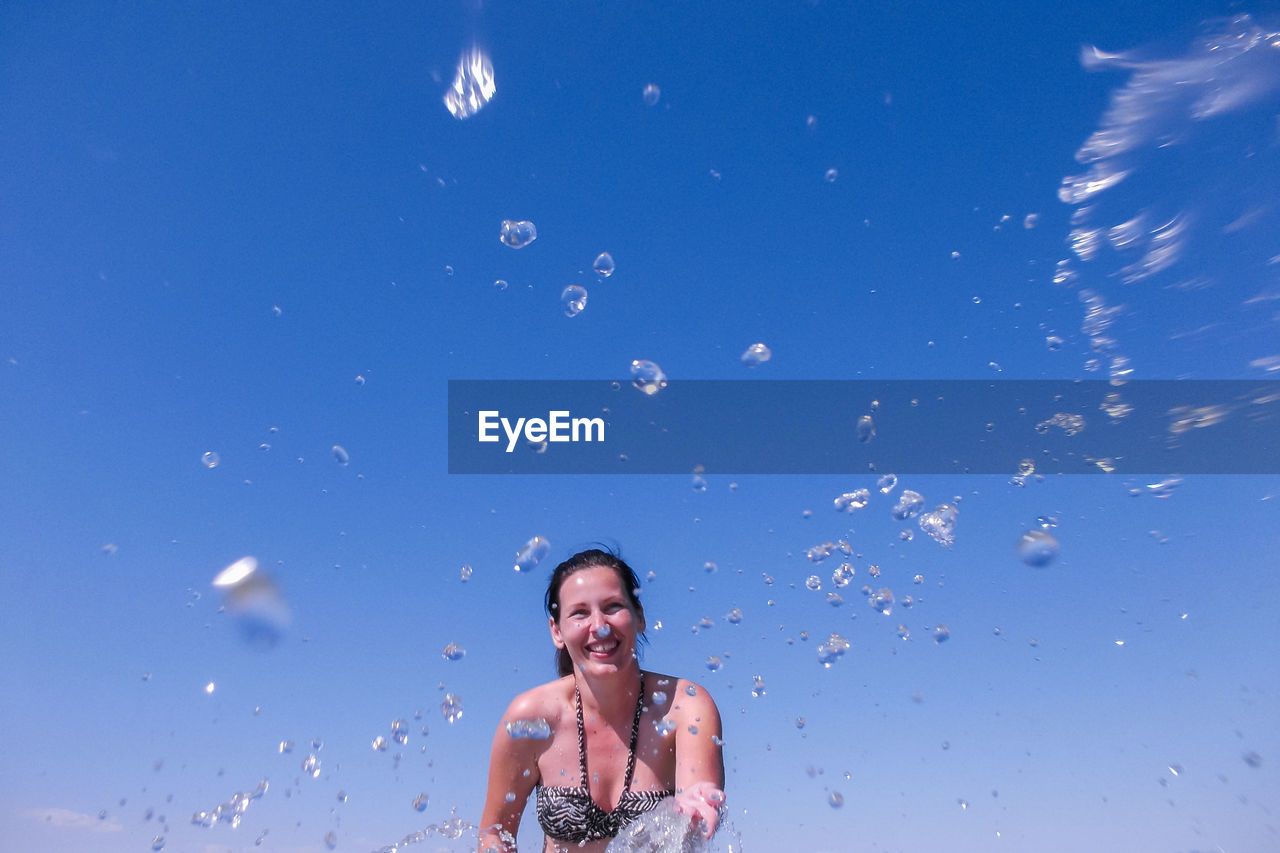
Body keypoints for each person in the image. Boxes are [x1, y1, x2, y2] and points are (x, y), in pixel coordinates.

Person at [478, 549, 726, 853]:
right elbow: (494, 834)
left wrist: (695, 806)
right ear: (557, 630)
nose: (600, 626)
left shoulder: (685, 706)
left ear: (640, 617)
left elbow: (697, 797)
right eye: (580, 613)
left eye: (613, 606)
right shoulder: (531, 718)